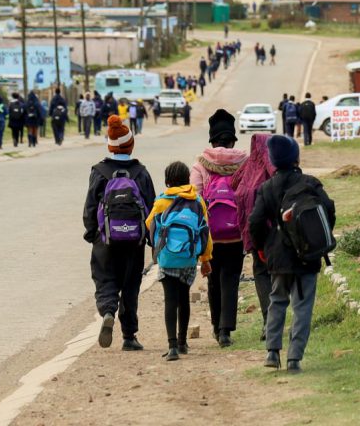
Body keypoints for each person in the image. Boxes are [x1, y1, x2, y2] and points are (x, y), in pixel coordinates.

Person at [251, 135, 336, 374]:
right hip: (308, 254)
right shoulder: (311, 183)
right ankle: (294, 359)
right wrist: (316, 238)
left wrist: (261, 247)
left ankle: (272, 351)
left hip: (278, 256)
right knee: (303, 306)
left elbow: (255, 222)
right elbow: (329, 210)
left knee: (277, 301)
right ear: (296, 158)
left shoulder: (266, 188)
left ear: (274, 162)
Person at [83, 115, 157, 353]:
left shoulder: (99, 172)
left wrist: (92, 233)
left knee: (106, 279)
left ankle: (107, 311)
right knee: (131, 285)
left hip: (106, 239)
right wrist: (149, 238)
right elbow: (151, 206)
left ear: (110, 146)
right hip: (133, 241)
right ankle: (129, 336)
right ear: (131, 145)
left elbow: (90, 207)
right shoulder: (141, 173)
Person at [190, 110, 248, 347]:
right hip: (236, 234)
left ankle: (215, 327)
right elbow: (246, 196)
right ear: (232, 139)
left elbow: (194, 199)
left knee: (213, 280)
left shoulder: (200, 164)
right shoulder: (244, 163)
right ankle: (226, 330)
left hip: (211, 236)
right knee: (231, 280)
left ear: (212, 140)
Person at [146, 160, 212, 361]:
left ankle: (172, 346)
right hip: (188, 259)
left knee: (170, 300)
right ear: (187, 179)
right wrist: (206, 259)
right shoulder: (197, 201)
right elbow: (205, 232)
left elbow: (150, 225)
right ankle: (183, 342)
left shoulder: (161, 201)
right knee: (184, 298)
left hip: (167, 258)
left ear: (167, 181)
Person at [238, 134, 276, 334]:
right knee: (278, 273)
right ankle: (275, 320)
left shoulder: (248, 166)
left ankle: (268, 322)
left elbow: (236, 184)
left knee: (261, 273)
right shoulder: (277, 167)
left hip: (255, 231)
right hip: (277, 231)